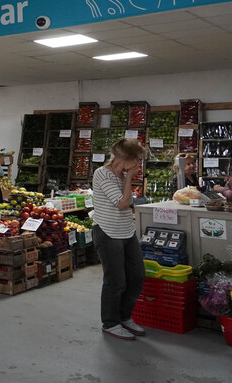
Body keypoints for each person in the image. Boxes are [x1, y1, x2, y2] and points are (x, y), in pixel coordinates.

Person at [92, 138, 147, 340]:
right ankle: (110, 323)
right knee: (115, 281)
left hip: (126, 231)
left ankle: (124, 316)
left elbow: (128, 201)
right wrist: (130, 177)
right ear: (125, 158)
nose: (138, 164)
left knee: (137, 276)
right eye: (136, 160)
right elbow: (123, 203)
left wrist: (127, 177)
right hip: (107, 233)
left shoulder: (121, 175)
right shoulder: (102, 174)